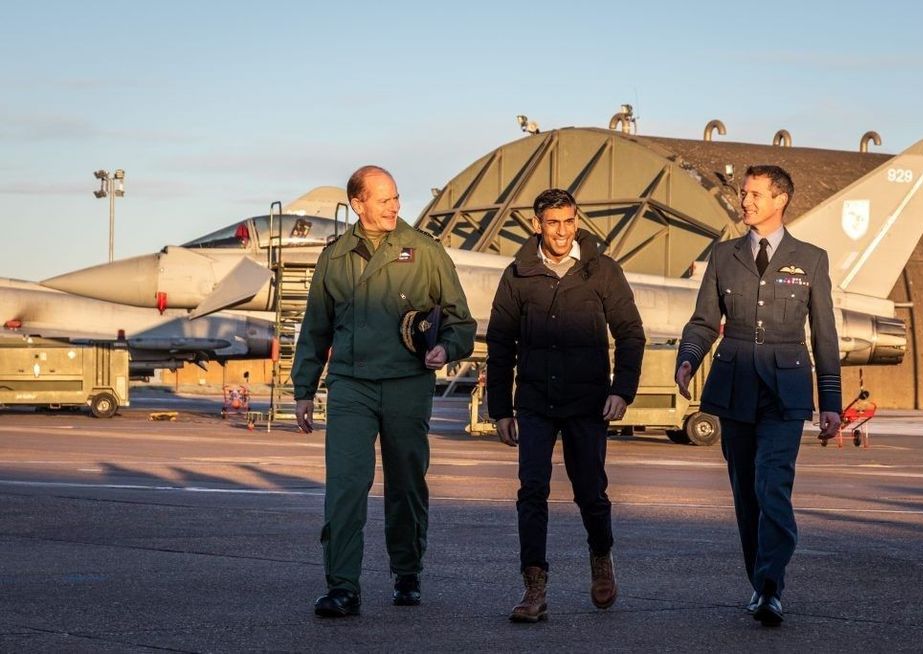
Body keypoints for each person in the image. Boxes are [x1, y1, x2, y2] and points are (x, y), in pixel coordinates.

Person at [292, 165, 476, 618]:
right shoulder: (334, 257)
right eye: (385, 199)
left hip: (405, 384)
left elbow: (462, 323)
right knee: (345, 487)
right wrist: (303, 388)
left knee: (406, 484)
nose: (395, 206)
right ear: (358, 204)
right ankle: (342, 587)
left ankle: (407, 572)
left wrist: (445, 350)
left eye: (396, 197)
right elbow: (315, 327)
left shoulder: (425, 252)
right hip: (350, 386)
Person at [674, 165, 842, 627]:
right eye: (745, 194)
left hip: (785, 391)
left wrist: (830, 400)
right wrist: (688, 357)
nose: (745, 201)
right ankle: (759, 584)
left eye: (754, 194)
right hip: (735, 386)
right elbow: (704, 320)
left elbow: (824, 334)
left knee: (773, 487)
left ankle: (771, 587)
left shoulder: (810, 258)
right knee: (746, 495)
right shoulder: (724, 255)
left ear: (780, 199)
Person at [485, 188, 645, 623]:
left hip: (587, 401)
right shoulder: (518, 274)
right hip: (535, 401)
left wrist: (621, 390)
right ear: (537, 224)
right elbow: (500, 343)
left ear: (578, 222)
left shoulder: (602, 271)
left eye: (569, 221)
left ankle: (601, 558)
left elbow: (630, 332)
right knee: (531, 491)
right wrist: (499, 408)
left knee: (590, 491)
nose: (562, 230)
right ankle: (534, 587)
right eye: (553, 222)